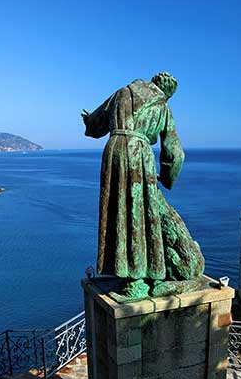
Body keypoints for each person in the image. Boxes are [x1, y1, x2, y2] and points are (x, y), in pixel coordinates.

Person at [82, 72, 204, 300]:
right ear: (167, 92)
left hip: (114, 152)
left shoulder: (122, 93)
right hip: (139, 156)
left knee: (118, 211)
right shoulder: (163, 106)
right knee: (140, 215)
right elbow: (175, 153)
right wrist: (166, 178)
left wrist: (88, 121)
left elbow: (95, 124)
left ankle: (122, 269)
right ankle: (138, 276)